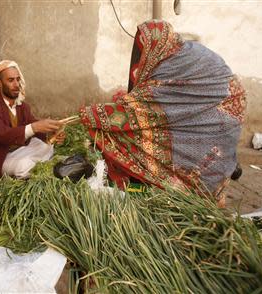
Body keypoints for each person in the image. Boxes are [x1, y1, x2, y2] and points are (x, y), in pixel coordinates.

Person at [78, 20, 246, 207]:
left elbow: (149, 110)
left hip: (220, 107)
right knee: (206, 153)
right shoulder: (180, 51)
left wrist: (92, 114)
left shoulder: (173, 63)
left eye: (143, 49)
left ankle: (196, 194)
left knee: (185, 149)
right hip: (228, 103)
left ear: (155, 46)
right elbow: (165, 101)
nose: (141, 57)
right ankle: (214, 188)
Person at [0, 60, 64, 178]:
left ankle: (34, 164)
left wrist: (50, 134)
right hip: (1, 158)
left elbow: (33, 126)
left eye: (18, 79)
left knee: (47, 146)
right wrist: (34, 127)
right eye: (10, 80)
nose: (16, 84)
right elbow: (1, 134)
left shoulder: (22, 106)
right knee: (23, 165)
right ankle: (34, 167)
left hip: (20, 150)